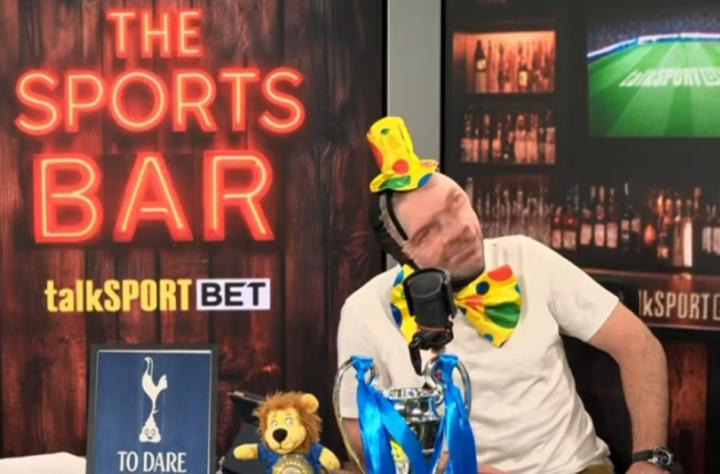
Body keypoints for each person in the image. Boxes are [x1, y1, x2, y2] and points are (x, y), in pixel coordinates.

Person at [336, 117, 671, 474]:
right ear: (402, 253)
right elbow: (357, 430)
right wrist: (445, 467)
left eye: (456, 203)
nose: (460, 230)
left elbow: (638, 344)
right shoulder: (365, 310)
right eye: (429, 231)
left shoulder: (528, 258)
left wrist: (650, 460)